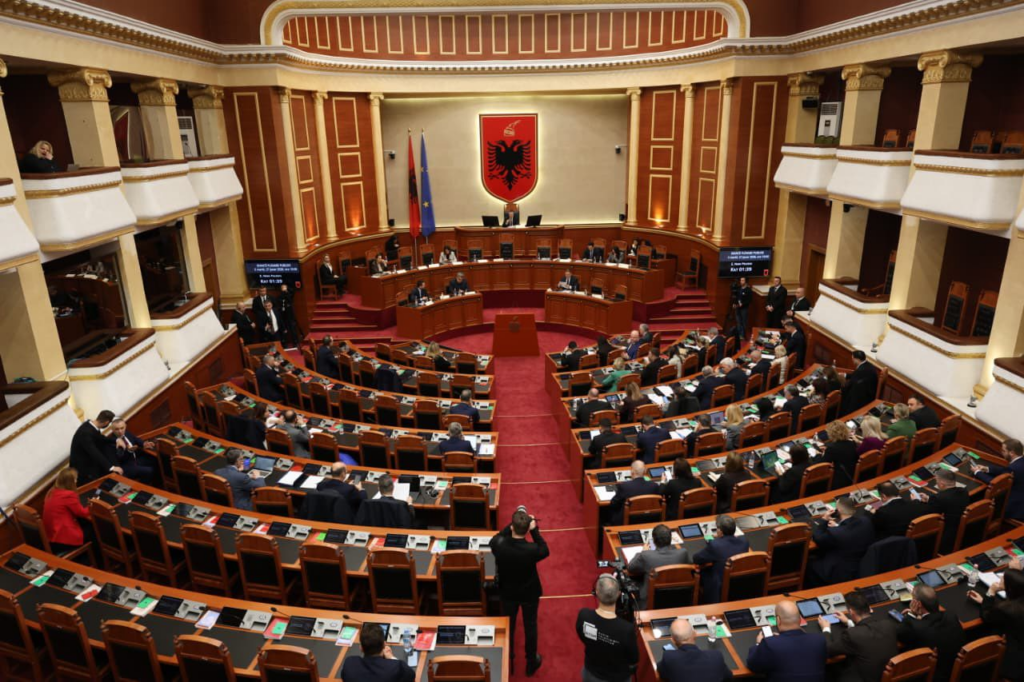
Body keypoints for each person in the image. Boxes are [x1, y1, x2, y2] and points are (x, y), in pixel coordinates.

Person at [490, 507, 549, 677]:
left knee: (509, 626)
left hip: (508, 592)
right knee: (530, 626)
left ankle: (509, 657)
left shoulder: (500, 546)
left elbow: (495, 538)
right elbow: (545, 549)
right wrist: (534, 530)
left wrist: (512, 525)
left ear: (512, 527)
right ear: (527, 529)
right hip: (529, 593)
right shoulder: (532, 550)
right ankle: (531, 662)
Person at [819, 591, 899, 682]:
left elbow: (828, 650)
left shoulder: (851, 635)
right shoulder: (888, 624)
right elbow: (867, 633)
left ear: (851, 612)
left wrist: (826, 629)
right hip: (887, 675)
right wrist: (849, 622)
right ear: (869, 608)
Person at [897, 584, 965, 682]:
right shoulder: (951, 616)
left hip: (933, 677)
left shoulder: (918, 628)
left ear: (918, 604)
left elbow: (901, 634)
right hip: (956, 671)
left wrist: (911, 614)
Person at [746, 599, 827, 682]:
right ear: (800, 619)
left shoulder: (770, 644)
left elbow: (753, 665)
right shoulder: (819, 640)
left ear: (778, 620)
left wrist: (759, 643)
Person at [576, 575, 638, 682]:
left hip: (590, 674)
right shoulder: (626, 629)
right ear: (618, 594)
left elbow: (582, 636)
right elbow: (633, 659)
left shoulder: (584, 615)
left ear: (596, 592)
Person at [967, 566, 1024, 682]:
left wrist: (991, 592)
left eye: (1003, 579)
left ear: (1009, 587)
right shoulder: (1018, 602)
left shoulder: (1006, 610)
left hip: (1012, 657)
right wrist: (985, 601)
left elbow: (986, 616)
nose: (1000, 579)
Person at [808, 495, 875, 586]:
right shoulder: (866, 521)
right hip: (861, 564)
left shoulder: (836, 533)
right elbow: (851, 531)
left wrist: (824, 520)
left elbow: (818, 538)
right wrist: (838, 526)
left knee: (809, 561)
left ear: (838, 510)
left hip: (838, 570)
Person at [627, 524, 690, 606]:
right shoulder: (683, 553)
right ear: (671, 539)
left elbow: (630, 568)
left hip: (651, 601)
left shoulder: (646, 555)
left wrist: (642, 552)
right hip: (679, 599)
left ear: (653, 540)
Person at [693, 514, 750, 602]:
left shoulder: (715, 545)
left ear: (720, 531)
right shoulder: (744, 541)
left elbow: (696, 559)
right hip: (739, 583)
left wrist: (713, 543)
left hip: (720, 586)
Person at [658, 618, 732, 682]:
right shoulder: (716, 656)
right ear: (695, 634)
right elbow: (728, 676)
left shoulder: (669, 657)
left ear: (673, 640)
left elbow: (662, 674)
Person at [340, 622, 415, 682]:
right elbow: (411, 675)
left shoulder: (349, 664)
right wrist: (391, 657)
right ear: (384, 645)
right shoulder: (396, 667)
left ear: (361, 648)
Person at [43, 467, 93, 554]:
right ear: (71, 482)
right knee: (95, 530)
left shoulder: (51, 492)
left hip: (52, 537)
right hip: (65, 539)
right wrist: (92, 505)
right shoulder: (69, 495)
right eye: (75, 479)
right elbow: (83, 513)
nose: (76, 481)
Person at [972, 438, 1024, 520]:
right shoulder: (1020, 462)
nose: (1001, 452)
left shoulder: (1014, 468)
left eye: (1003, 451)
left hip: (1014, 508)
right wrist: (987, 469)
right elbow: (1004, 470)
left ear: (1012, 453)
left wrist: (977, 472)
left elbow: (995, 483)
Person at [70, 410, 120, 485]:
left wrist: (116, 440)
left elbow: (100, 438)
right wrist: (111, 467)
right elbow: (94, 452)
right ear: (106, 422)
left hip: (89, 463)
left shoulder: (90, 425)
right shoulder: (85, 433)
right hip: (83, 469)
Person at [107, 418, 156, 485]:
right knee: (149, 470)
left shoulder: (126, 433)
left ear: (125, 426)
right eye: (117, 429)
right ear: (112, 429)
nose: (120, 431)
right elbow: (119, 458)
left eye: (122, 428)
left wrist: (143, 444)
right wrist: (129, 451)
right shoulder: (111, 442)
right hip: (126, 466)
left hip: (135, 459)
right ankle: (143, 486)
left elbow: (136, 439)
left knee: (156, 460)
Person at [609, 460, 660, 524]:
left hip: (629, 521)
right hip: (649, 519)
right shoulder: (654, 486)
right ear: (645, 471)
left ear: (632, 471)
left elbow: (613, 504)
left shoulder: (624, 486)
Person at [822, 420, 859, 489]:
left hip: (839, 480)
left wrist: (819, 455)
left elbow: (824, 464)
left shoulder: (831, 448)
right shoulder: (852, 444)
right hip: (853, 475)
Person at [661, 456, 700, 520]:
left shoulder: (672, 483)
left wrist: (662, 481)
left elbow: (662, 493)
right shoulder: (697, 481)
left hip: (675, 514)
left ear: (676, 471)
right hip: (693, 512)